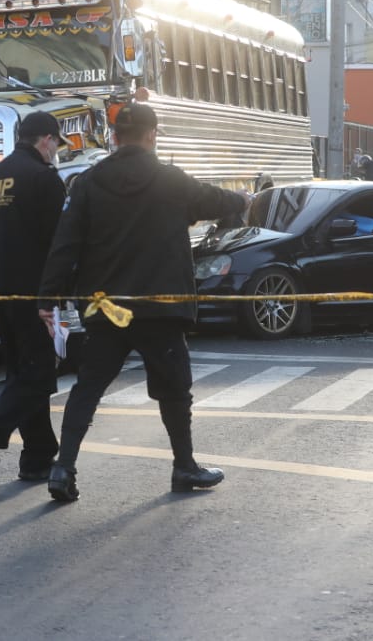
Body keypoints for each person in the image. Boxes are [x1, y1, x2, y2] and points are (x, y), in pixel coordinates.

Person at [37, 103, 248, 502]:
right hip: (160, 307)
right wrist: (241, 199)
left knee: (88, 389)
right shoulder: (171, 180)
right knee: (174, 391)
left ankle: (63, 468)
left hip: (106, 308)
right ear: (153, 135)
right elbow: (214, 200)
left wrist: (48, 298)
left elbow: (65, 245)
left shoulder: (88, 182)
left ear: (114, 137)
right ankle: (184, 467)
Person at [0, 111, 68, 494]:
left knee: (23, 372)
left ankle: (37, 457)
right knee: (38, 375)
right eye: (56, 144)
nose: (56, 152)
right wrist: (55, 295)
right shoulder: (44, 180)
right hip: (33, 291)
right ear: (46, 140)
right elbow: (60, 244)